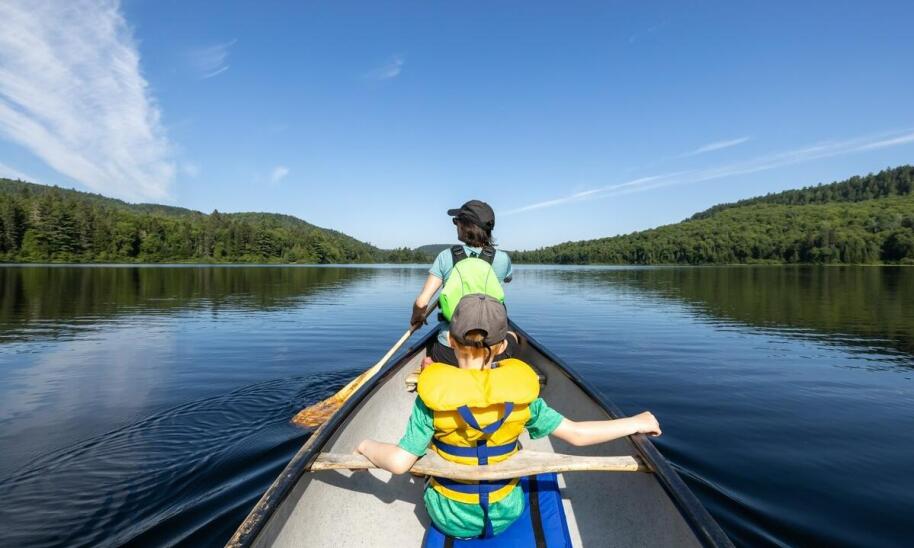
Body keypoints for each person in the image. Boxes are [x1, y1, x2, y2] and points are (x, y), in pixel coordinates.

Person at [359, 294, 662, 540]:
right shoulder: (523, 399)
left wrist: (366, 446)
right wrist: (636, 422)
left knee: (419, 458)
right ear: (503, 346)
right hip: (506, 512)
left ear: (450, 342)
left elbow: (399, 463)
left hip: (448, 517)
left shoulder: (431, 399)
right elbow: (576, 435)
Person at [411, 200, 515, 365]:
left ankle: (431, 364)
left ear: (465, 226)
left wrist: (417, 317)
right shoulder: (502, 259)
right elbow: (507, 278)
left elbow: (422, 302)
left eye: (456, 221)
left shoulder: (446, 256)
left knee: (437, 342)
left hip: (450, 352)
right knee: (512, 333)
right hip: (492, 352)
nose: (455, 225)